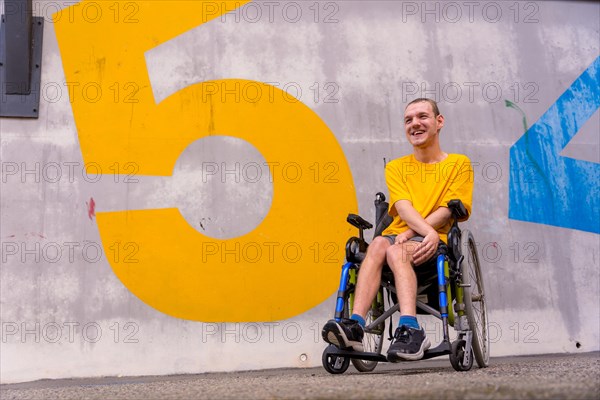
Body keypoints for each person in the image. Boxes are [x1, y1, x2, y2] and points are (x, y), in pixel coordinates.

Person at [322, 98, 473, 361]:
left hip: (433, 240)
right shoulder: (396, 167)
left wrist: (422, 232)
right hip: (402, 236)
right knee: (380, 243)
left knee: (395, 252)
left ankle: (412, 328)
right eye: (408, 119)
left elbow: (450, 208)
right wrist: (412, 232)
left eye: (422, 116)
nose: (415, 123)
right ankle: (355, 325)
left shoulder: (459, 164)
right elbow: (402, 207)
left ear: (439, 122)